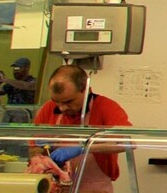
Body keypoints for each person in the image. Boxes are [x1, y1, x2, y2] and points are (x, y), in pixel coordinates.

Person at [30, 64, 131, 193]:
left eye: (68, 102)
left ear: (86, 90)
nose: (62, 108)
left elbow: (127, 142)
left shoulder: (106, 107)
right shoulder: (48, 108)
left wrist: (83, 148)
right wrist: (42, 156)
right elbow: (33, 147)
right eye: (57, 101)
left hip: (94, 188)